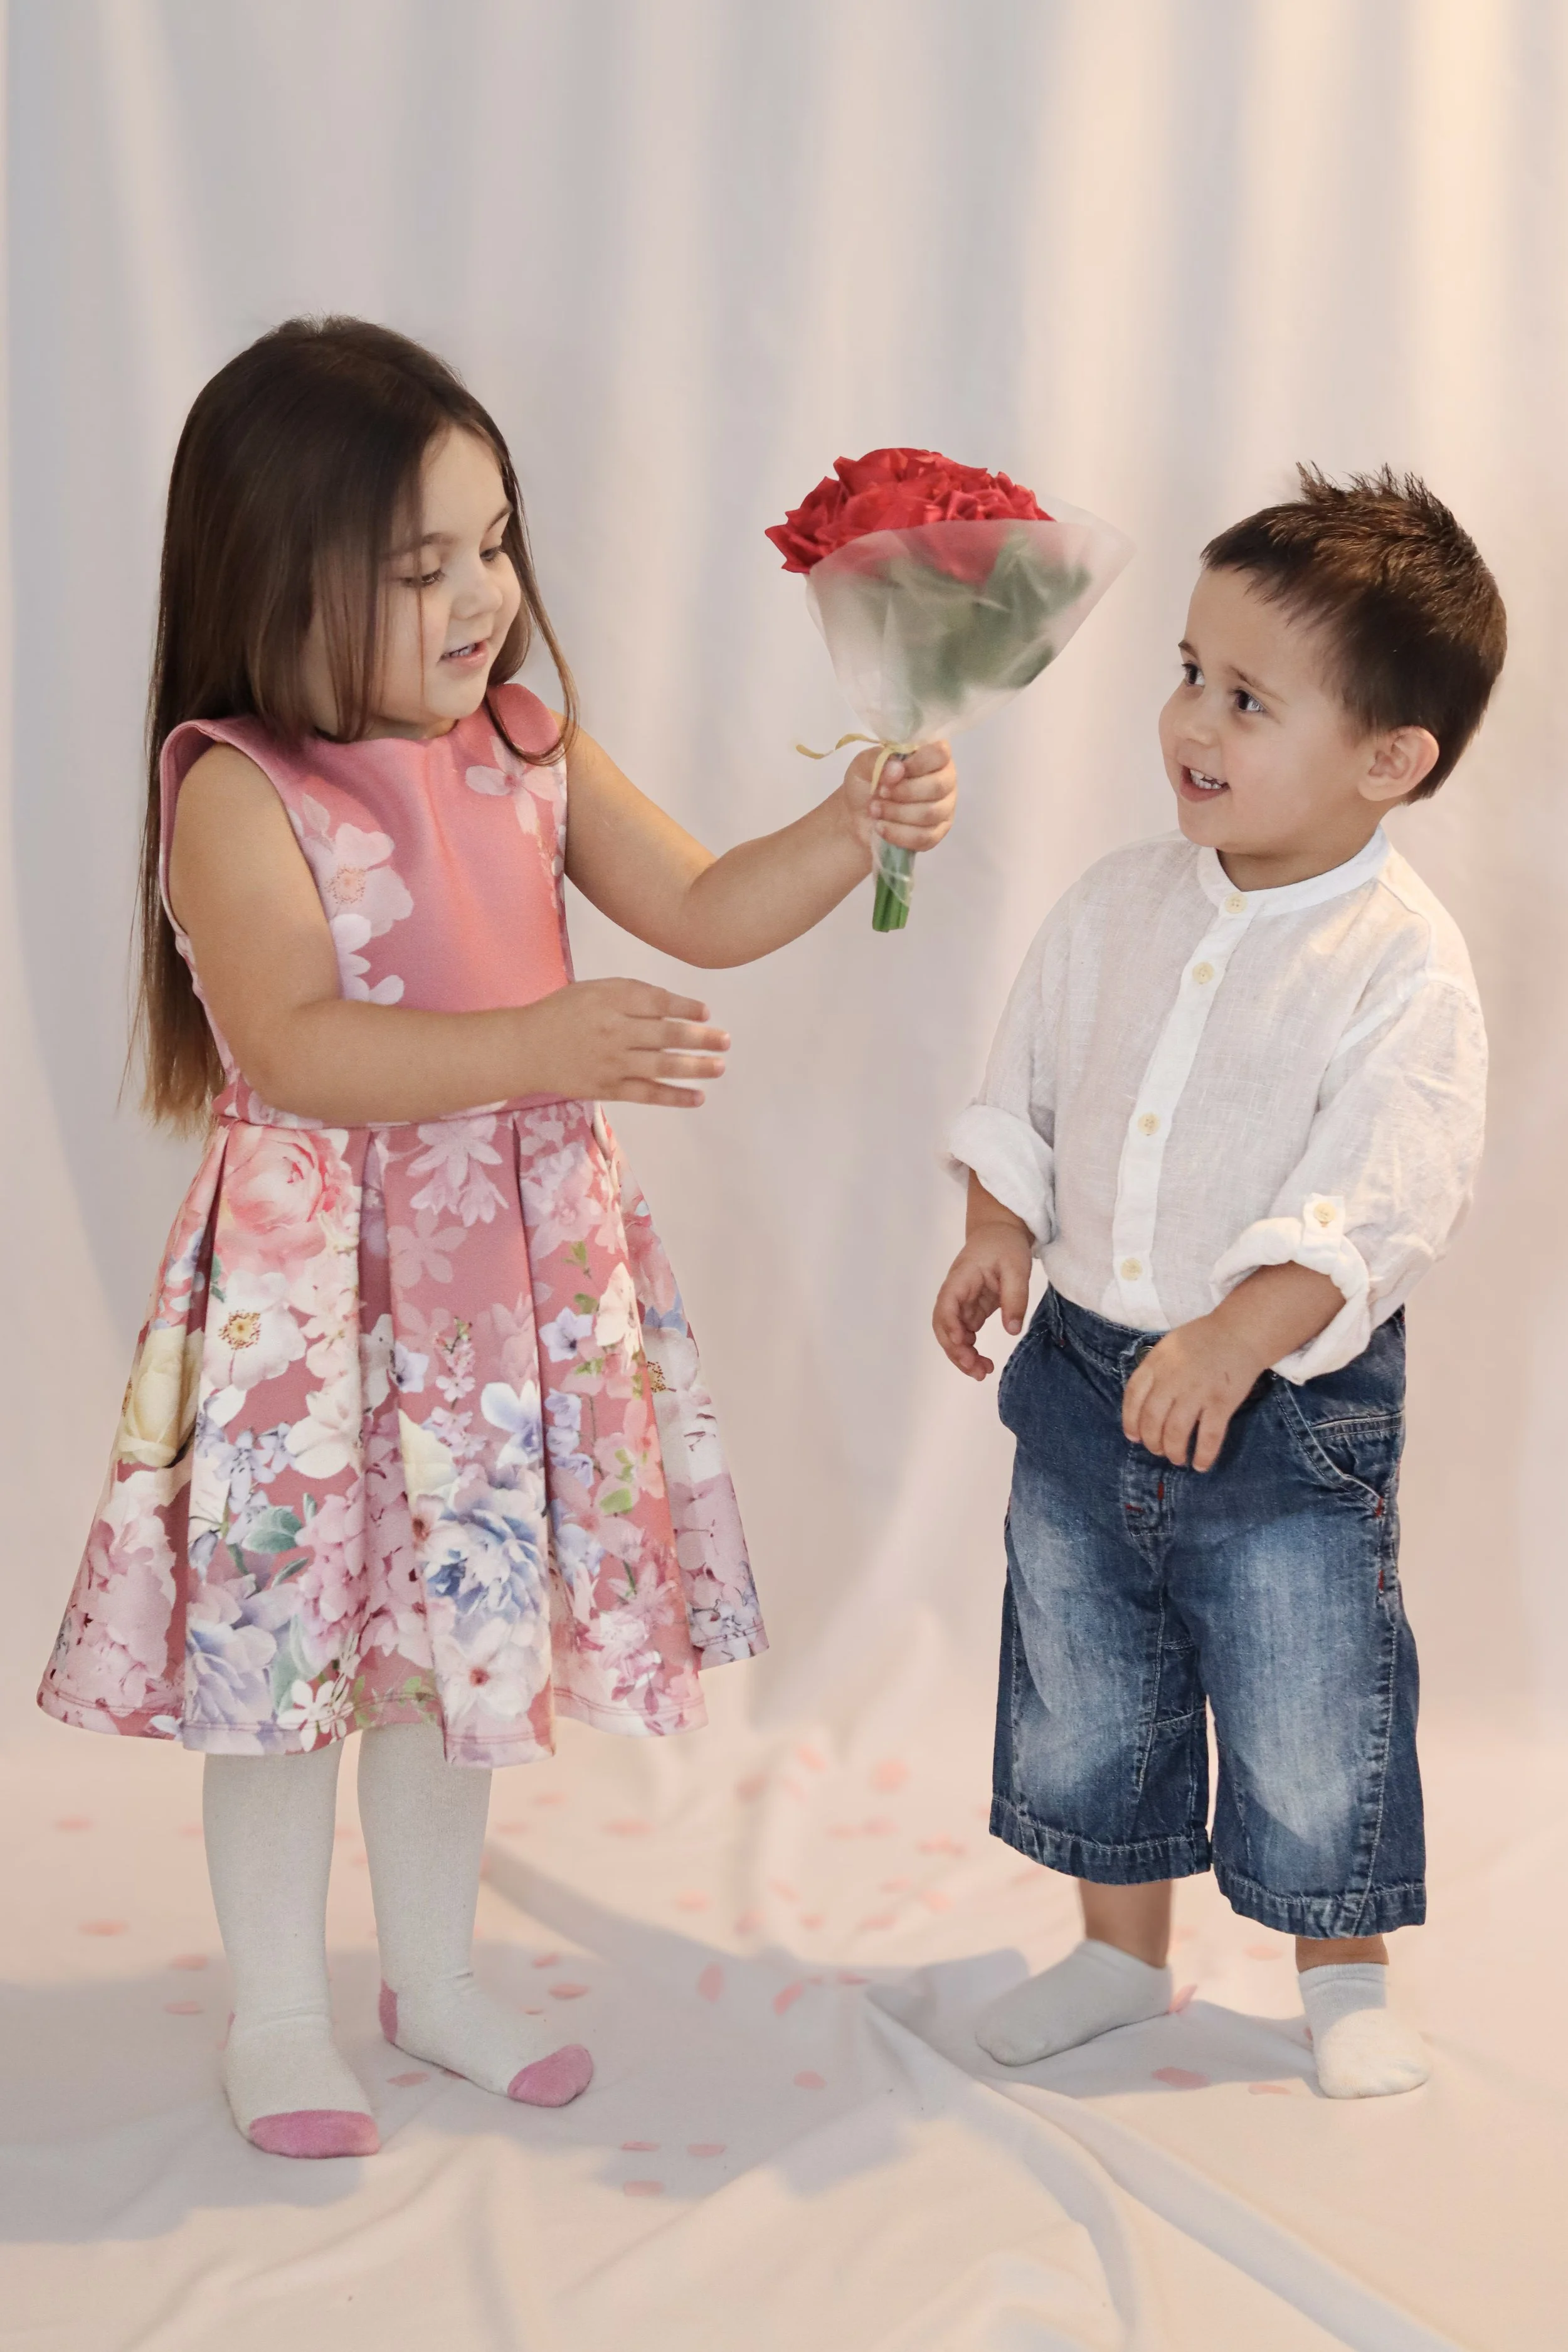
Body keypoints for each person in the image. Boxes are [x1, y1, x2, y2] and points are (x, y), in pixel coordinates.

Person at [38, 316, 958, 2157]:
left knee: (457, 1643)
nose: (483, 594)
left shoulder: (526, 742)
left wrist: (848, 824)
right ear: (272, 579)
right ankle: (281, 2013)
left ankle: (435, 1977)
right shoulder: (235, 784)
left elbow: (696, 902)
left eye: (493, 541)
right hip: (322, 1302)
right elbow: (294, 1042)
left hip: (502, 1298)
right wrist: (541, 1043)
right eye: (420, 565)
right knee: (295, 1661)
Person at [933, 467, 1503, 2099]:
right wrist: (995, 1227)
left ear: (1389, 758)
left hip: (1281, 1423)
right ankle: (1118, 1949)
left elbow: (1385, 1195)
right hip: (1078, 1377)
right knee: (1084, 1675)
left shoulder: (1398, 963)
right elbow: (1021, 1089)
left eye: (1246, 697)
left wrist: (1240, 1331)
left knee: (1307, 1690)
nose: (1189, 718)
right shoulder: (1116, 904)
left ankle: (1338, 1970)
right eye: (1187, 670)